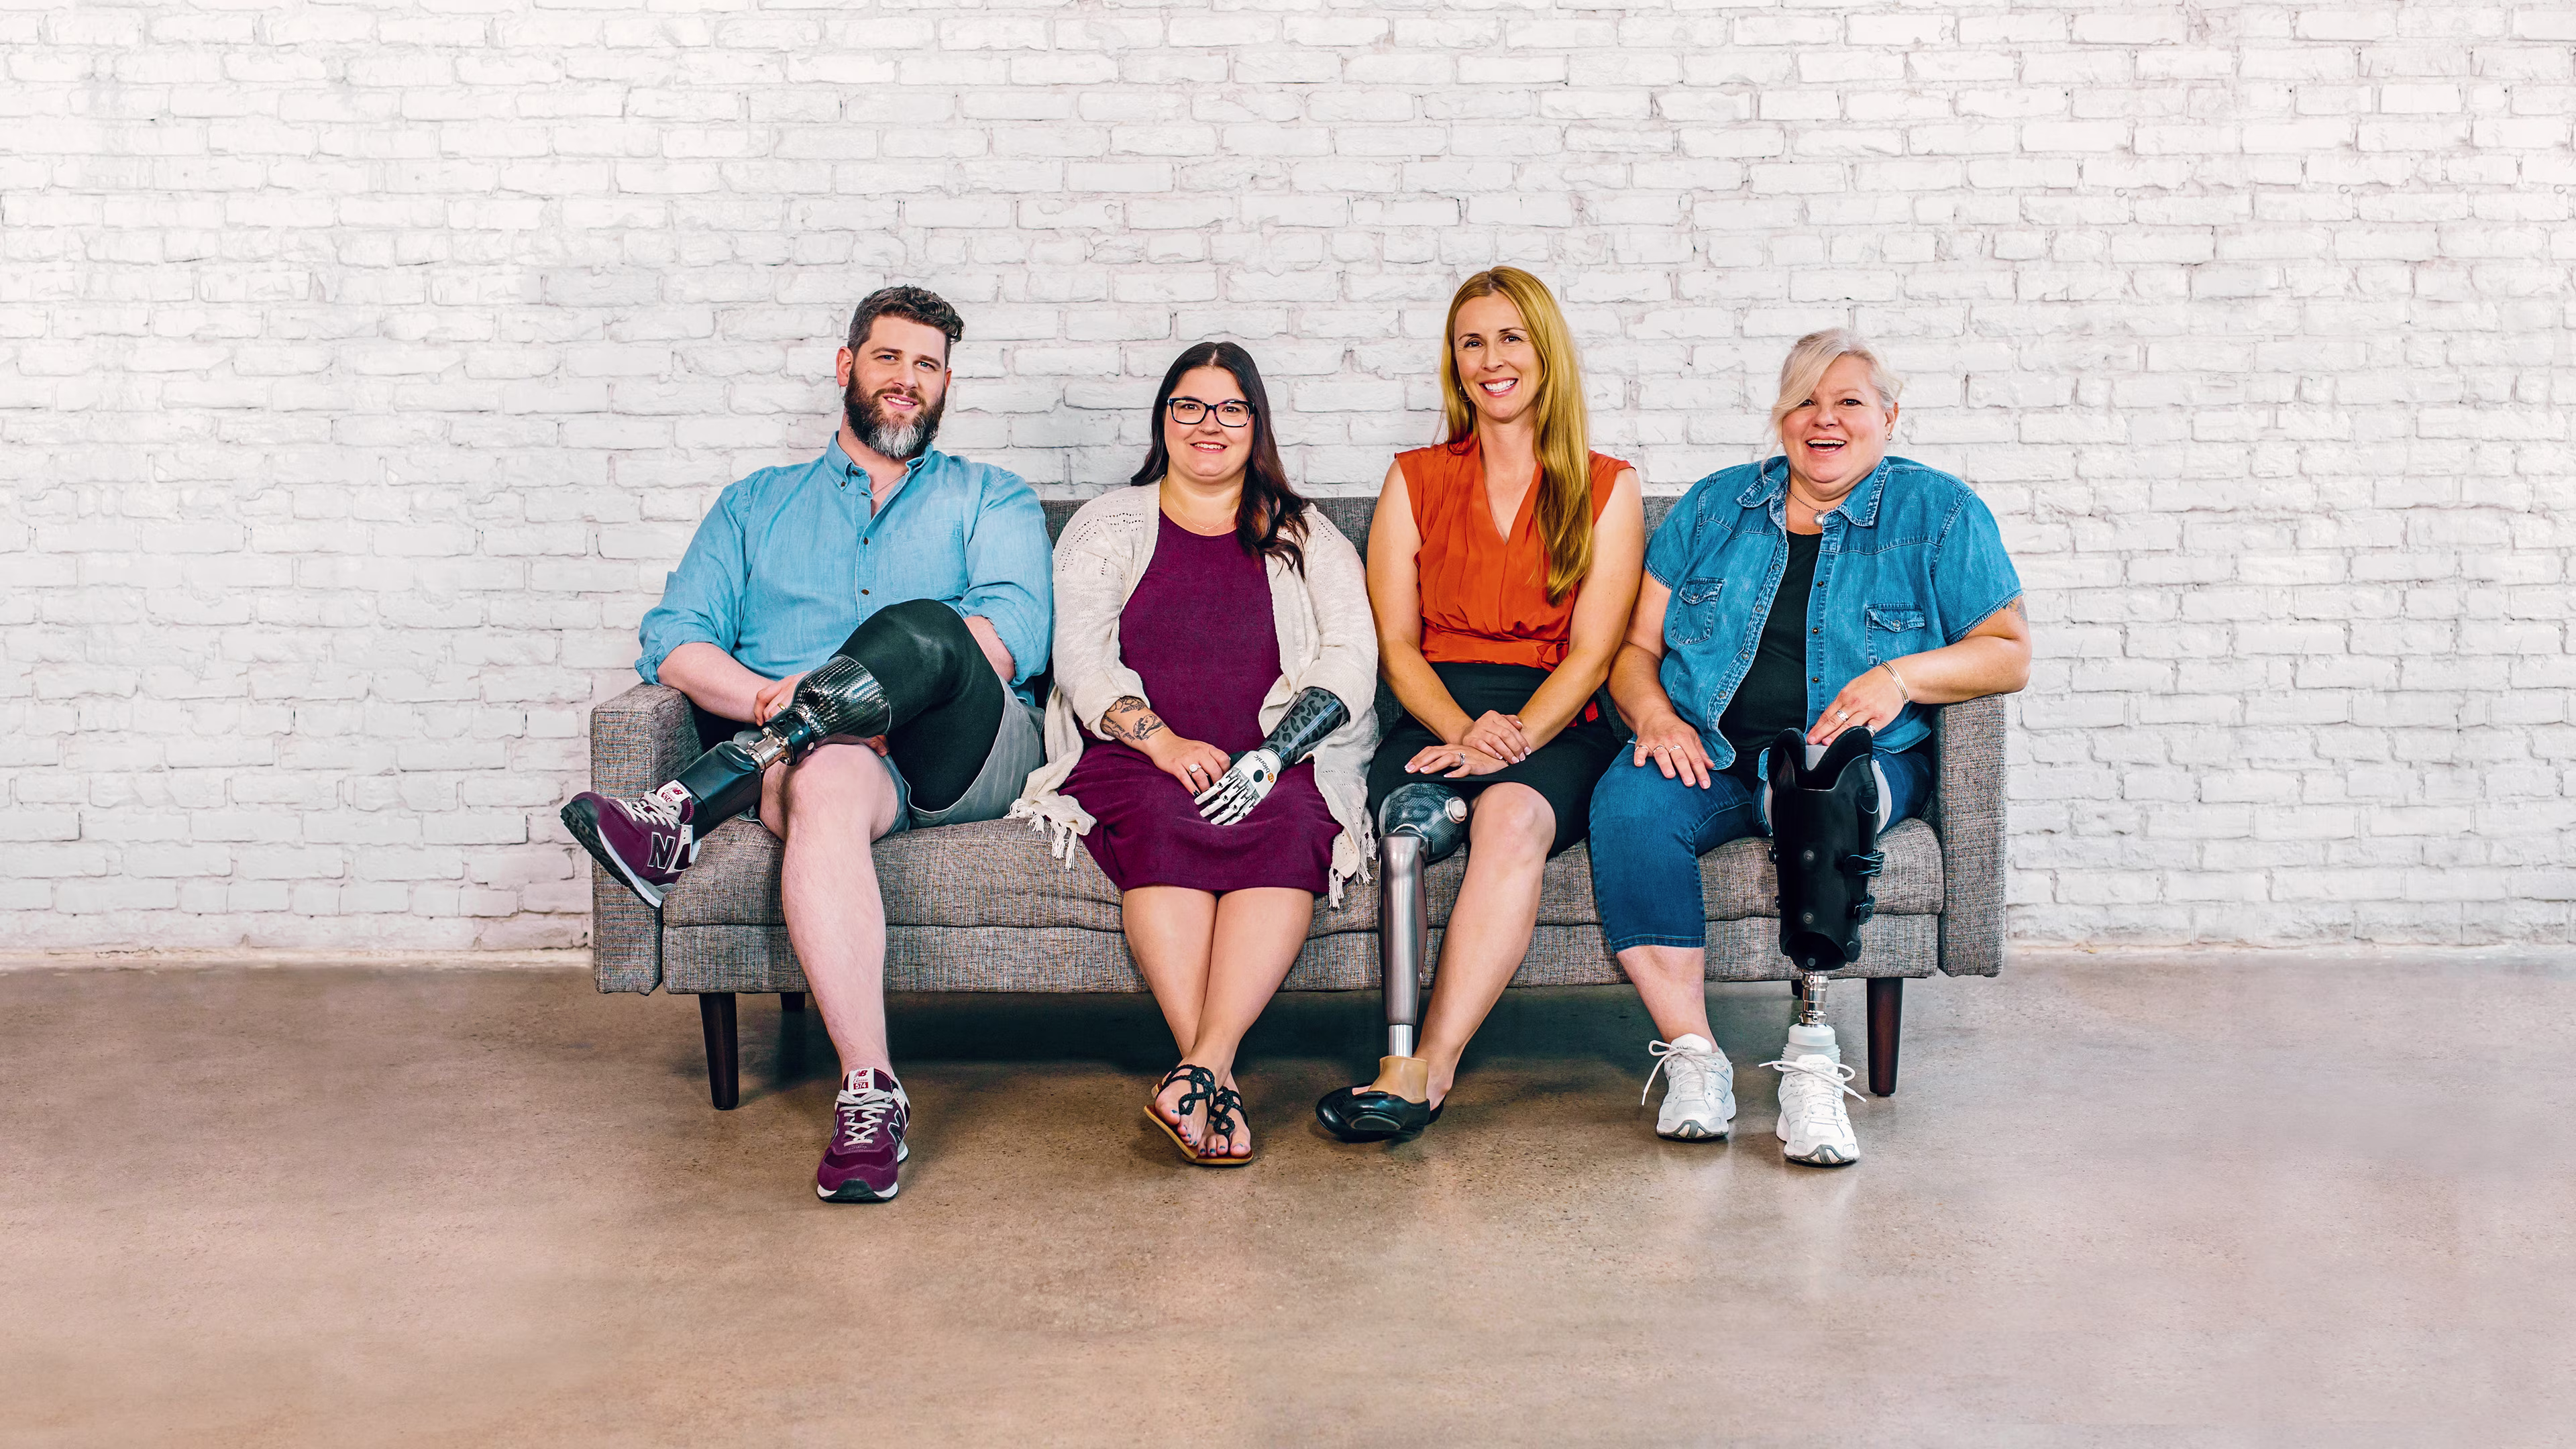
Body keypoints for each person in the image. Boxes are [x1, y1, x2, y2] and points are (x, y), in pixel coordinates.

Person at [559, 286, 1052, 1203]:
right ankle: (870, 1092)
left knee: (926, 627)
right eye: (889, 358)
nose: (907, 379)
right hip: (820, 766)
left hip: (956, 749)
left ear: (947, 385)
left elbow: (1013, 634)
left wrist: (849, 686)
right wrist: (767, 699)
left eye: (928, 365)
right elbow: (673, 639)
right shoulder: (754, 505)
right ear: (846, 366)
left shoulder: (993, 497)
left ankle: (685, 811)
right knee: (823, 773)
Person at [1590, 328, 2031, 1167]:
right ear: (1781, 417)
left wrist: (1899, 676)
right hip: (1715, 752)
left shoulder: (1938, 513)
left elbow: (2008, 652)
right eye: (1805, 402)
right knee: (1629, 804)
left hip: (1861, 760)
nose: (1824, 419)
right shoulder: (1714, 507)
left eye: (1848, 402)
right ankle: (1695, 1059)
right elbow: (1636, 651)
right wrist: (1654, 716)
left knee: (1824, 802)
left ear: (1889, 417)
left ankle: (1813, 1065)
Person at [1012, 342, 1376, 1166]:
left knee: (1291, 825)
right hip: (1137, 755)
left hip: (1275, 760)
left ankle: (1200, 1073)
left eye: (1230, 409)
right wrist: (1163, 742)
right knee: (1163, 816)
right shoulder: (1108, 523)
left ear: (1256, 425)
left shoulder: (1309, 534)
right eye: (1190, 406)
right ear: (1163, 420)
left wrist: (1272, 757)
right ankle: (1215, 1075)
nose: (1209, 424)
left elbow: (1353, 658)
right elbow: (1081, 658)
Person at [1311, 267, 1646, 1142]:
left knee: (1510, 819)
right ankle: (1411, 1055)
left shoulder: (1608, 487)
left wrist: (1510, 740)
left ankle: (1425, 1069)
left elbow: (1595, 654)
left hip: (1557, 720)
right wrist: (1462, 732)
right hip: (1434, 716)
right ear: (1453, 361)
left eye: (1510, 338)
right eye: (1472, 342)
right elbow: (1396, 646)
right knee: (1410, 822)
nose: (1491, 360)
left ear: (1545, 352)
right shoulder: (1413, 479)